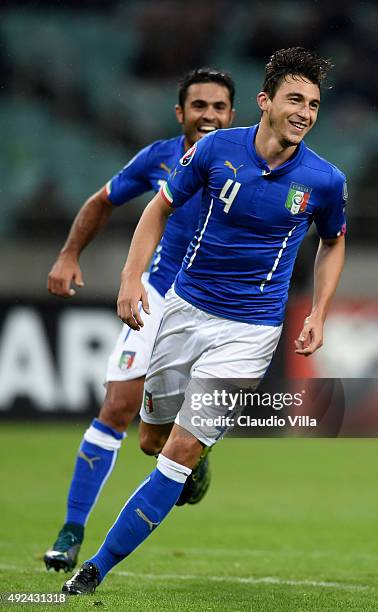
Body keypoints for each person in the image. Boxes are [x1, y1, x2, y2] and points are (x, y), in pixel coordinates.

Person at [63, 46, 347, 595]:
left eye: (313, 104)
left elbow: (334, 244)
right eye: (294, 99)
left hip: (251, 331)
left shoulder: (325, 179)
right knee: (151, 439)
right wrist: (130, 277)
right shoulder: (217, 149)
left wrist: (319, 311)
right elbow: (159, 207)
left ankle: (94, 569)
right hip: (184, 311)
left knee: (178, 450)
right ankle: (195, 464)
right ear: (264, 102)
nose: (305, 113)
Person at [44, 68, 235, 573]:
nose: (209, 116)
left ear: (233, 113)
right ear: (181, 113)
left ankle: (190, 451)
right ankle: (70, 531)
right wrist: (68, 255)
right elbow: (102, 201)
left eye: (219, 107)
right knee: (117, 409)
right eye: (199, 106)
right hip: (157, 295)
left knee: (157, 440)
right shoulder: (160, 158)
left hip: (216, 308)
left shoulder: (248, 161)